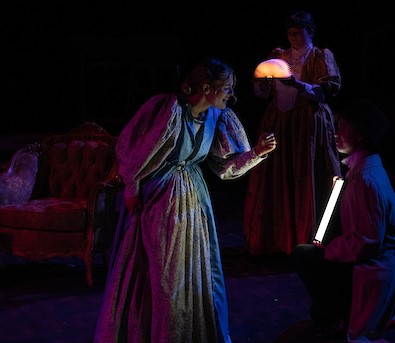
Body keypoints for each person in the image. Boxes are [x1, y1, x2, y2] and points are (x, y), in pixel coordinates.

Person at [94, 58, 277, 343]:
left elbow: (225, 167)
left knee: (193, 274)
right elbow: (134, 149)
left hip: (194, 200)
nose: (232, 95)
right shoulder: (168, 109)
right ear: (207, 87)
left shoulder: (218, 117)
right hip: (160, 200)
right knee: (165, 278)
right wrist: (132, 187)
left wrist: (256, 152)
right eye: (226, 88)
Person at [291, 98, 395, 342]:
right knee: (309, 255)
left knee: (304, 255)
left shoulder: (366, 180)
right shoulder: (363, 171)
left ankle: (335, 315)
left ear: (360, 135)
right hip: (373, 262)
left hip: (374, 270)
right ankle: (330, 314)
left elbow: (367, 243)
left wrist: (328, 249)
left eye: (342, 127)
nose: (335, 133)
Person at [244, 10, 342, 256]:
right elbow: (263, 93)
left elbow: (326, 92)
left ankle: (304, 238)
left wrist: (296, 84)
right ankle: (276, 239)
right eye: (290, 33)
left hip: (306, 122)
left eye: (299, 32)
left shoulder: (320, 56)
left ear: (310, 32)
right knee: (278, 176)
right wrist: (262, 81)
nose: (294, 37)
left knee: (304, 174)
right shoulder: (279, 56)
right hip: (279, 120)